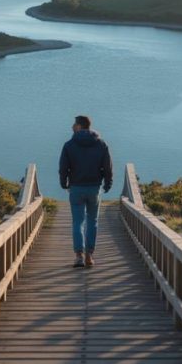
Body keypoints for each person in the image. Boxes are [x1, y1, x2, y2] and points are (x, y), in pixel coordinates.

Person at [59, 115, 113, 268]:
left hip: (76, 188)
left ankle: (78, 256)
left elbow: (63, 168)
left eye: (74, 124)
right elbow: (107, 167)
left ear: (80, 126)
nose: (71, 127)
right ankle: (89, 255)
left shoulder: (69, 145)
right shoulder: (101, 144)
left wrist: (64, 183)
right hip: (94, 188)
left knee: (77, 221)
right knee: (92, 221)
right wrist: (108, 184)